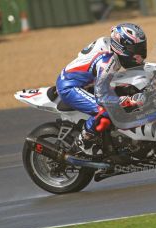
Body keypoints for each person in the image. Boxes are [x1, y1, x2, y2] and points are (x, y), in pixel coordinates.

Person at [56, 23, 147, 154]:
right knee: (105, 109)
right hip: (70, 86)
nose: (139, 54)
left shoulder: (111, 47)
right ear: (121, 47)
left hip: (90, 83)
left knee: (125, 91)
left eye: (142, 48)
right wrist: (127, 101)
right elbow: (101, 97)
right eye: (135, 49)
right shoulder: (107, 61)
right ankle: (82, 141)